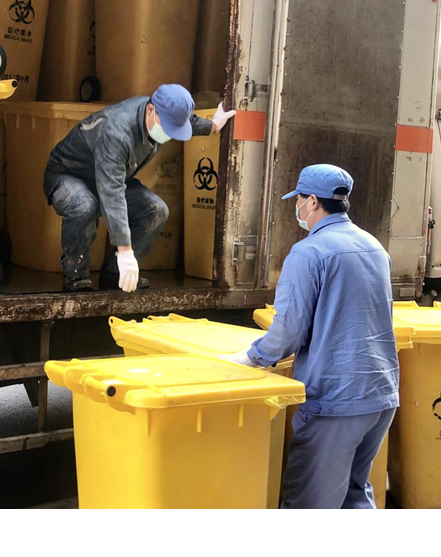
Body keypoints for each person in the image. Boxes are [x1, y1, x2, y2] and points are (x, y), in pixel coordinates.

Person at [221, 164, 400, 510]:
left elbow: (288, 332)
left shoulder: (308, 253)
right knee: (352, 493)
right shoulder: (373, 246)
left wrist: (251, 358)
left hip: (335, 399)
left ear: (313, 201)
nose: (297, 206)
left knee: (309, 500)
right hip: (380, 395)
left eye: (298, 199)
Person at [43, 84, 236, 292]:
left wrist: (213, 125)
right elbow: (111, 191)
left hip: (110, 177)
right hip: (69, 175)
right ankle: (76, 276)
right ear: (151, 110)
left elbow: (184, 121)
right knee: (84, 206)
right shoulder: (117, 132)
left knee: (155, 210)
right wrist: (125, 251)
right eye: (167, 127)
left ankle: (115, 275)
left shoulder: (162, 113)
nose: (169, 134)